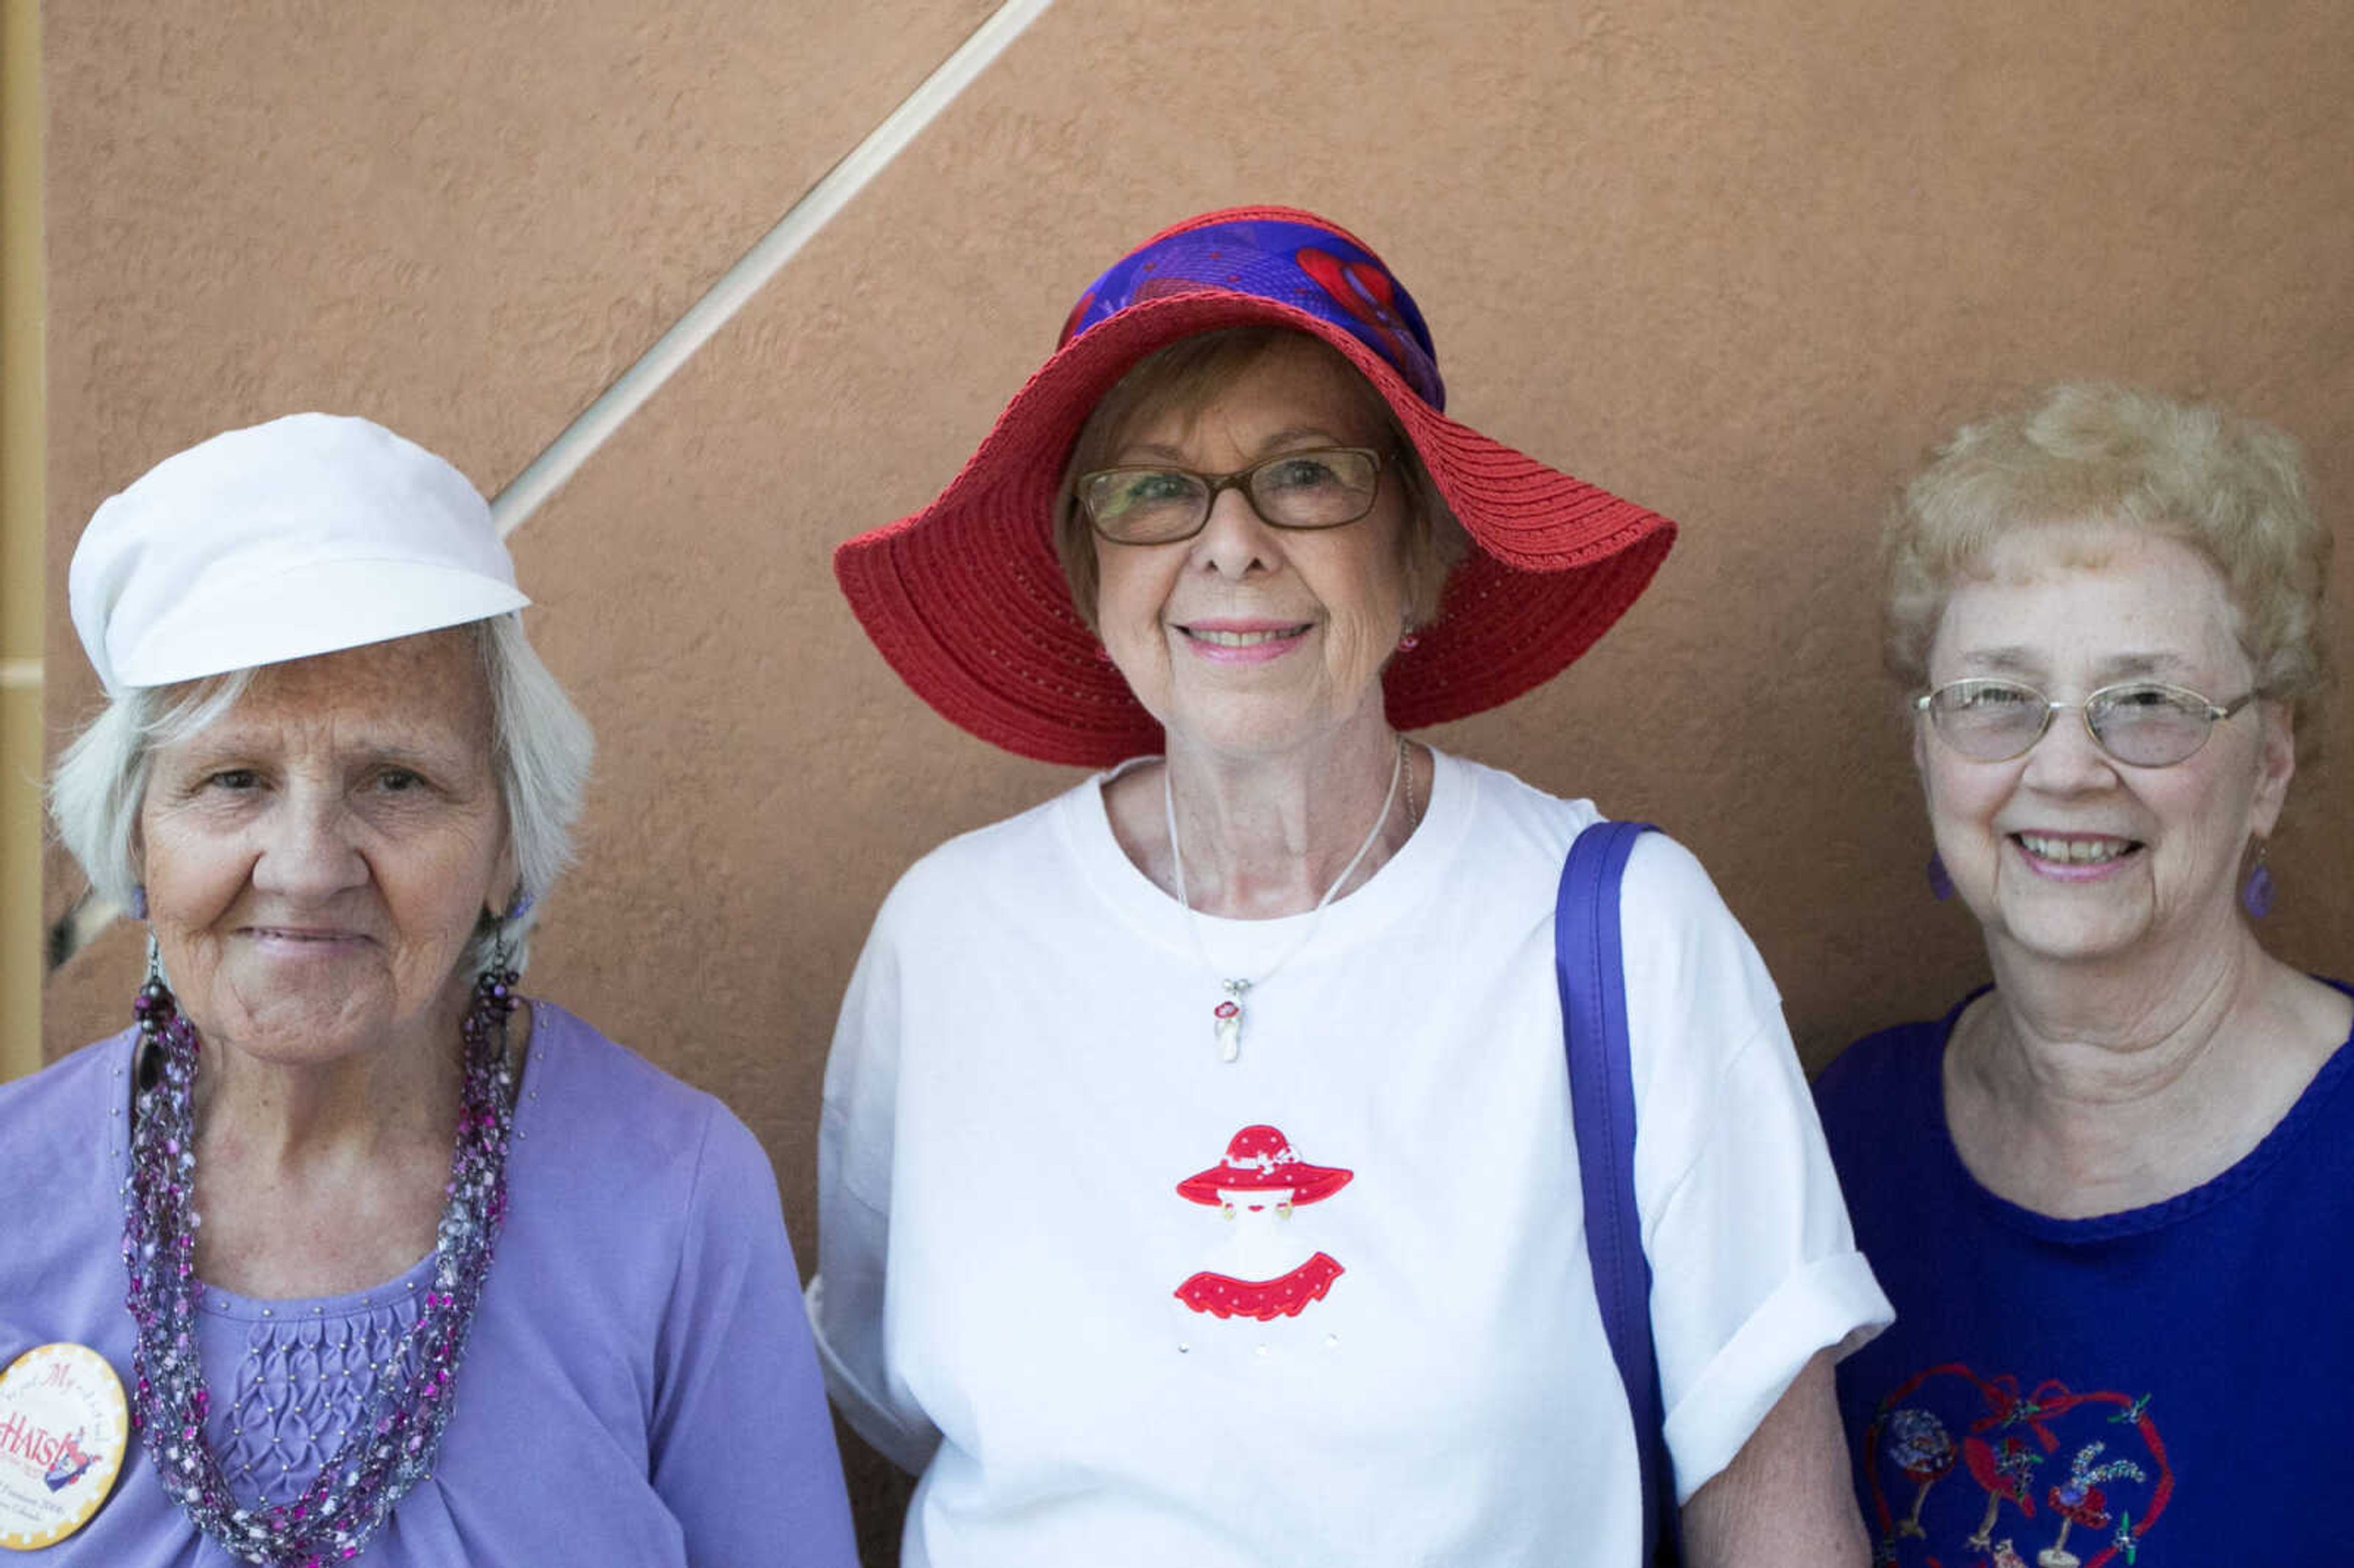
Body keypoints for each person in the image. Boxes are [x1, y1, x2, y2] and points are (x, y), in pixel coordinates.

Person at [814, 205, 1890, 1567]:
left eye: (1307, 475)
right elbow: (906, 1401)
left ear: (1423, 546)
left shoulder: (1625, 929)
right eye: (1150, 490)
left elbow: (1776, 1522)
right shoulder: (950, 939)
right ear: (1091, 575)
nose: (1228, 543)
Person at [1, 415, 857, 1565]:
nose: (308, 864)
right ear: (136, 839)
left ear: (509, 840)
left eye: (396, 778)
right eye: (233, 778)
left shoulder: (678, 1197)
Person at [1813, 384, 2350, 1567]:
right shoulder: (1844, 1139)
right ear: (1926, 751)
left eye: (2146, 703)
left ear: (2269, 767)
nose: (2064, 768)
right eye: (1998, 699)